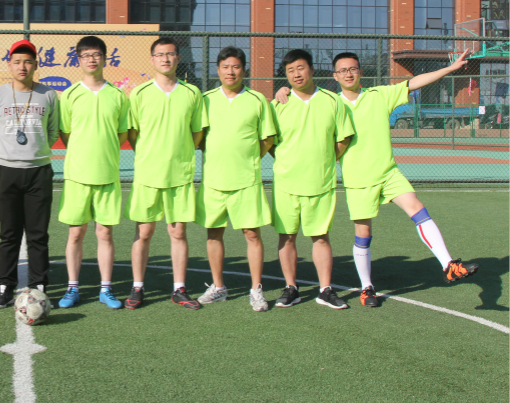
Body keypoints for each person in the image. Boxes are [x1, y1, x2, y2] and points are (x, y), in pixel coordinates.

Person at [276, 51, 479, 306]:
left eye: (353, 69)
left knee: (417, 209)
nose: (348, 74)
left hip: (388, 172)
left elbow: (414, 82)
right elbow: (304, 110)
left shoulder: (380, 95)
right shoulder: (331, 103)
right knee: (363, 234)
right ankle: (367, 287)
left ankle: (448, 265)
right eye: (343, 70)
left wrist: (450, 68)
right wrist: (283, 90)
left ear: (360, 72)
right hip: (357, 180)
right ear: (335, 76)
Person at [269, 49, 354, 310]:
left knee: (321, 236)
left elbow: (344, 138)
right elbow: (270, 142)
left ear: (312, 70)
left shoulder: (332, 101)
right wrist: (286, 161)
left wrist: (325, 160)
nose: (296, 74)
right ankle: (291, 288)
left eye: (300, 68)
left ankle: (325, 290)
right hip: (286, 183)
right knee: (286, 237)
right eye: (290, 70)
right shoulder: (278, 104)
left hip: (320, 182)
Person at [125, 37, 204, 310]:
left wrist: (181, 154)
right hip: (148, 174)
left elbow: (197, 132)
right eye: (160, 54)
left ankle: (179, 288)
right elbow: (133, 133)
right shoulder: (139, 93)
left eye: (170, 54)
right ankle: (137, 287)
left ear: (178, 58)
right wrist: (149, 155)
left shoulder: (192, 93)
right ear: (152, 59)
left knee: (178, 233)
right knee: (144, 232)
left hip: (179, 175)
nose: (165, 59)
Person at [196, 46, 277, 312]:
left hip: (246, 180)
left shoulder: (257, 99)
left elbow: (268, 138)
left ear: (244, 70)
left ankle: (256, 290)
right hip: (214, 180)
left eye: (236, 67)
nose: (230, 72)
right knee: (213, 233)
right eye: (225, 67)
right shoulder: (205, 100)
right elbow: (198, 137)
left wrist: (249, 157)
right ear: (218, 70)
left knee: (252, 234)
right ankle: (218, 287)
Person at [0, 39, 60, 309]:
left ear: (36, 65)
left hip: (39, 171)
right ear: (9, 65)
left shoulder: (48, 94)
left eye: (28, 62)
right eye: (17, 62)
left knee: (38, 234)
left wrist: (36, 151)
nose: (22, 66)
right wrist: (8, 152)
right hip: (7, 172)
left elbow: (53, 130)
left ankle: (40, 286)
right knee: (9, 233)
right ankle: (5, 286)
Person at [57, 36, 130, 309]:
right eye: (86, 55)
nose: (91, 59)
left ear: (104, 58)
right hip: (77, 176)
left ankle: (106, 289)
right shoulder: (69, 95)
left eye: (96, 54)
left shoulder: (118, 95)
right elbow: (65, 133)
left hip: (107, 175)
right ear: (78, 60)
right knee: (76, 234)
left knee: (105, 234)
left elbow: (122, 133)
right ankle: (72, 288)